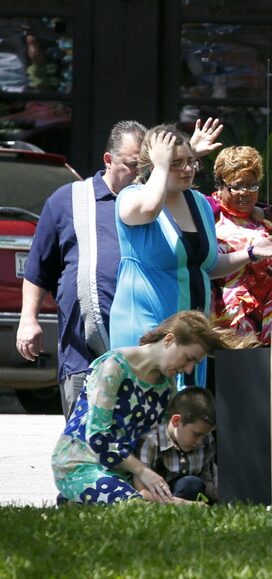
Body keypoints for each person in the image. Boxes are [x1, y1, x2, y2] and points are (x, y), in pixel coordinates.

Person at [110, 125, 272, 387]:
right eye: (176, 163)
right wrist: (159, 166)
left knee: (186, 417)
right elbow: (148, 209)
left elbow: (208, 266)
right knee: (149, 412)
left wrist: (250, 254)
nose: (188, 169)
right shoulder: (131, 197)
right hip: (148, 328)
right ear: (154, 163)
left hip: (191, 335)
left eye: (191, 162)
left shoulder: (199, 203)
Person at [17, 120, 147, 419]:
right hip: (84, 356)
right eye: (131, 165)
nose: (139, 175)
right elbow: (38, 269)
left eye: (146, 167)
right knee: (84, 451)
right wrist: (28, 320)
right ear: (108, 159)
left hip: (143, 354)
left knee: (137, 449)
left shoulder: (153, 206)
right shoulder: (69, 200)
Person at [51, 310, 230, 505]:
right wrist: (143, 471)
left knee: (152, 499)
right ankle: (81, 494)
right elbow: (98, 438)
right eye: (188, 358)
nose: (188, 369)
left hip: (127, 471)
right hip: (83, 464)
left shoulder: (166, 383)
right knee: (135, 506)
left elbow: (157, 439)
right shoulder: (112, 367)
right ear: (169, 340)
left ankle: (78, 502)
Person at [210, 146, 272, 346]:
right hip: (231, 329)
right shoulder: (209, 216)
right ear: (221, 185)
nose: (245, 193)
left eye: (252, 185)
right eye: (237, 186)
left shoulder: (271, 220)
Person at [135, 386, 218, 503]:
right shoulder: (151, 442)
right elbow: (142, 492)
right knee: (190, 484)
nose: (200, 442)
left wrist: (214, 490)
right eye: (196, 434)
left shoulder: (206, 441)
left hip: (194, 493)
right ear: (176, 421)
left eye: (204, 435)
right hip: (162, 500)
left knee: (193, 484)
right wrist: (180, 504)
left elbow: (205, 478)